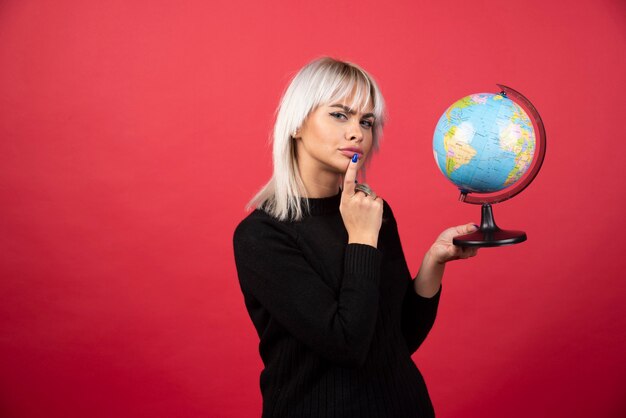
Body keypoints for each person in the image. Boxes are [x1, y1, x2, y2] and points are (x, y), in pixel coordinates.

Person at [233, 57, 479, 417]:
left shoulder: (373, 210)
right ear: (298, 123)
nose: (357, 133)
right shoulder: (262, 236)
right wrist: (361, 239)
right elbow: (347, 345)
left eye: (366, 121)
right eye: (339, 115)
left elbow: (401, 339)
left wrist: (433, 264)